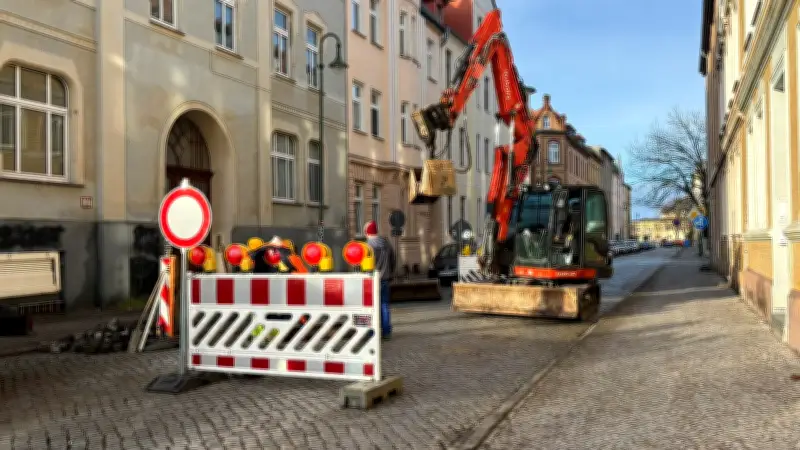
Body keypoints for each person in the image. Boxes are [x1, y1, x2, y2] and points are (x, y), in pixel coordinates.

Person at [364, 220, 396, 340]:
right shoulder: (386, 243)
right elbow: (393, 259)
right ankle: (386, 331)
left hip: (371, 280)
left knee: (372, 307)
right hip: (385, 279)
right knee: (384, 305)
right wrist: (390, 272)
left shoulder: (367, 246)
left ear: (367, 232)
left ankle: (372, 332)